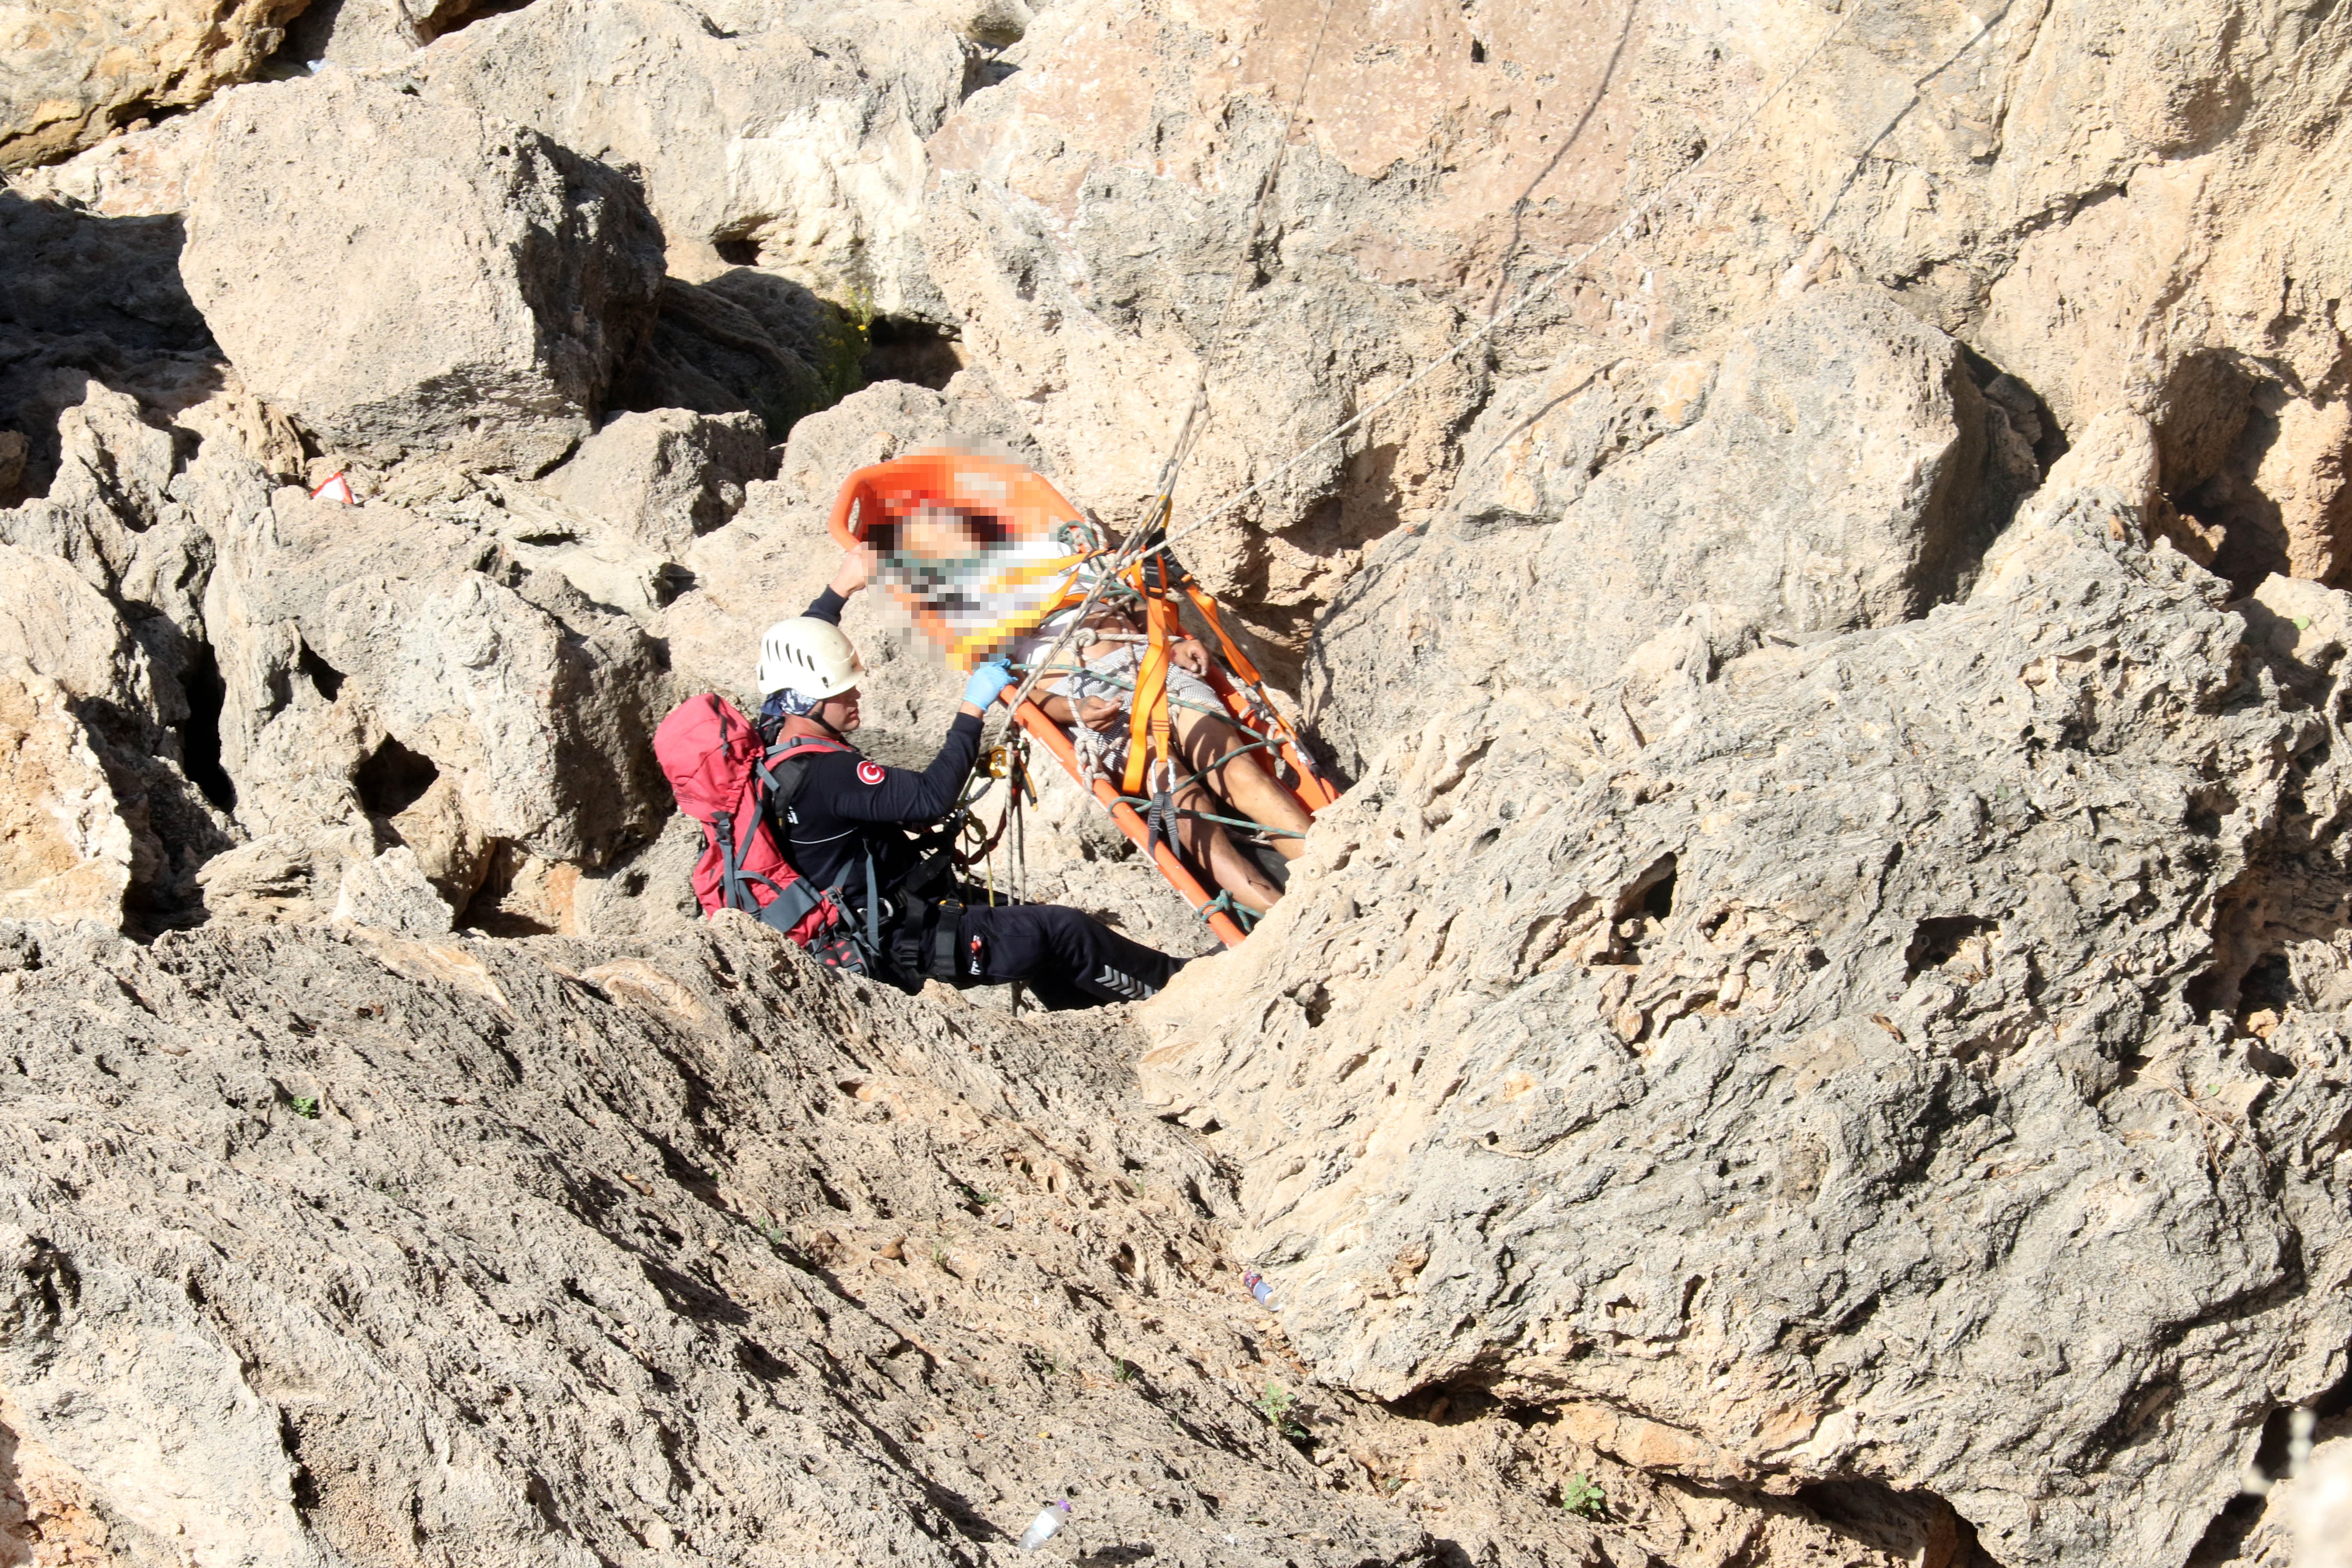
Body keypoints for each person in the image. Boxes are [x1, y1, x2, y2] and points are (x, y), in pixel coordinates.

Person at [750, 547, 1188, 1009]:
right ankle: (1184, 990)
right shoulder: (826, 773)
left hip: (892, 912)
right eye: (842, 690)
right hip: (899, 938)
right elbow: (929, 799)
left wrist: (839, 590)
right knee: (1061, 930)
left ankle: (1098, 1011)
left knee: (1034, 936)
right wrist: (972, 707)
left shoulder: (776, 734)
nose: (856, 692)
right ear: (809, 700)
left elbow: (801, 650)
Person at [882, 502, 1314, 916]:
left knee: (1236, 768)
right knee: (1184, 800)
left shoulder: (1050, 550)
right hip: (1084, 698)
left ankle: (1329, 868)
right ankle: (1279, 914)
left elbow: (1129, 601)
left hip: (1146, 664)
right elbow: (1022, 694)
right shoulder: (964, 613)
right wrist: (1076, 713)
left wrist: (1174, 641)